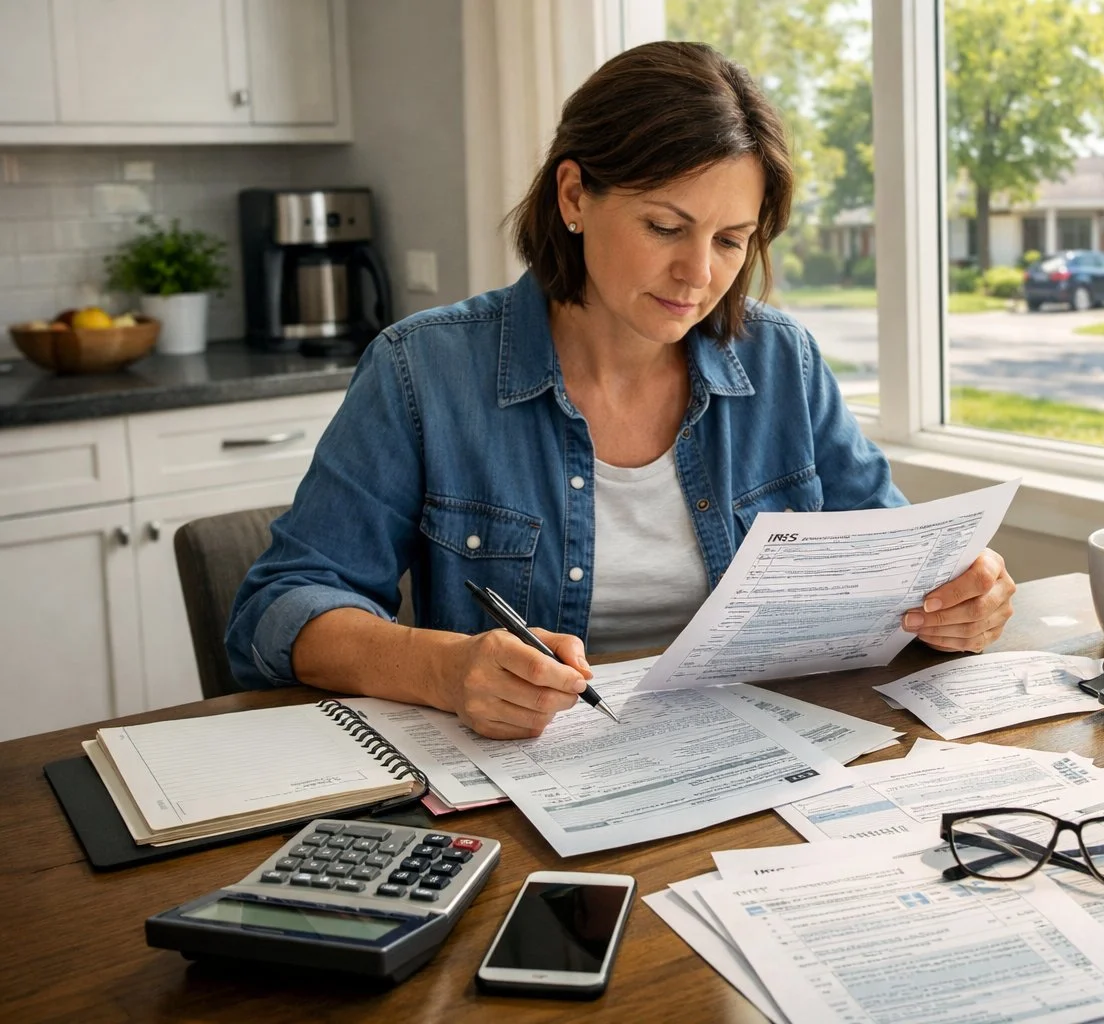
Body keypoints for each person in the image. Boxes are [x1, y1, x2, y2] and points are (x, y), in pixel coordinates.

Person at [226, 41, 1016, 740]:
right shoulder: (423, 371)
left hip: (754, 762)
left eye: (730, 240)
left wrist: (957, 602)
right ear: (573, 196)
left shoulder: (783, 363)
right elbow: (277, 611)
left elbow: (901, 566)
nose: (698, 274)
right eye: (665, 228)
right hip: (524, 784)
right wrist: (442, 668)